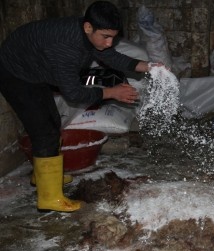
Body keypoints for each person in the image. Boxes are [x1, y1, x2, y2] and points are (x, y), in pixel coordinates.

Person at [0, 1, 160, 212]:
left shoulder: (90, 35)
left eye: (113, 36)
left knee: (53, 122)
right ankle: (49, 199)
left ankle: (43, 178)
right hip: (16, 73)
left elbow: (110, 56)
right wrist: (112, 93)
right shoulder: (67, 49)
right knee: (44, 132)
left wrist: (148, 66)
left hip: (33, 67)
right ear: (87, 28)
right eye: (106, 36)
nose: (110, 42)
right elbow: (74, 94)